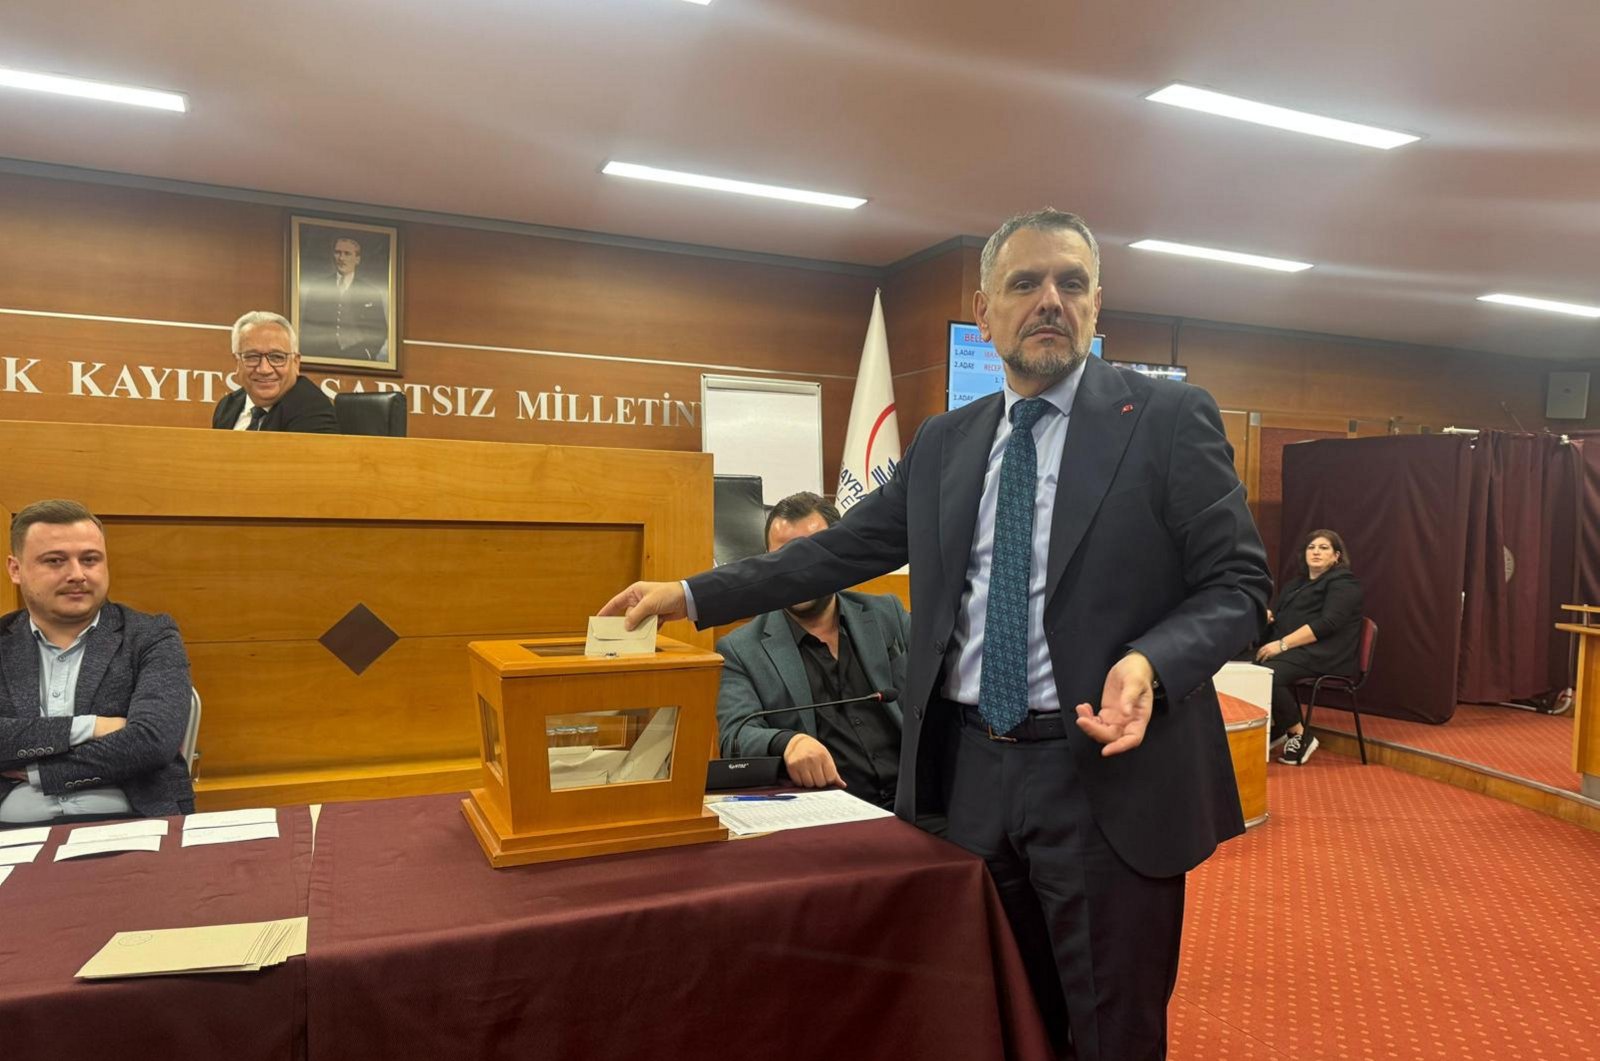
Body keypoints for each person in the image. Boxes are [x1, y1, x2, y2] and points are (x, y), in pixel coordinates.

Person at [602, 208, 1271, 1060]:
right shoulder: (946, 442)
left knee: (1112, 1032)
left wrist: (1150, 661)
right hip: (967, 779)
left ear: (1097, 304)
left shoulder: (1168, 418)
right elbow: (834, 551)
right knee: (999, 1019)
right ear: (985, 312)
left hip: (1102, 778)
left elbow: (1240, 587)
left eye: (1071, 283)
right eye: (1025, 283)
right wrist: (693, 593)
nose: (1050, 300)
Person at [0, 500, 195, 823]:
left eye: (89, 559)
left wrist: (40, 772)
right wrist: (91, 727)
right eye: (55, 561)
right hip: (10, 828)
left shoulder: (151, 635)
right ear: (15, 569)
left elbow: (153, 741)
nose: (77, 574)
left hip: (133, 819)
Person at [715, 492, 910, 810]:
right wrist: (788, 742)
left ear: (838, 554)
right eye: (781, 558)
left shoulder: (887, 614)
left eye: (808, 555)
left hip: (919, 802)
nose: (794, 572)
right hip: (830, 814)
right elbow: (735, 736)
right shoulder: (740, 650)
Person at [1254, 529, 1364, 766]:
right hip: (1295, 652)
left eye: (1324, 548)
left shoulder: (1344, 583)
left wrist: (1282, 644)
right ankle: (1278, 727)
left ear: (1336, 556)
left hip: (1326, 654)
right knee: (1245, 667)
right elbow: (1283, 619)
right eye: (1311, 547)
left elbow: (1328, 623)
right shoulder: (1295, 585)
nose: (1316, 552)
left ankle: (1299, 734)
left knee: (1267, 675)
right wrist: (1268, 617)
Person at [211, 311, 339, 434]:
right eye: (252, 357)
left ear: (296, 363)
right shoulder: (227, 407)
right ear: (237, 362)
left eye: (277, 357)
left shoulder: (313, 411)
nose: (264, 369)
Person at [298, 234, 389, 362]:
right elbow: (307, 328)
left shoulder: (371, 293)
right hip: (322, 356)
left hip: (358, 356)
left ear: (357, 259)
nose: (341, 258)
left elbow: (380, 330)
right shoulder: (317, 288)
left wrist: (367, 353)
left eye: (347, 254)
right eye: (338, 252)